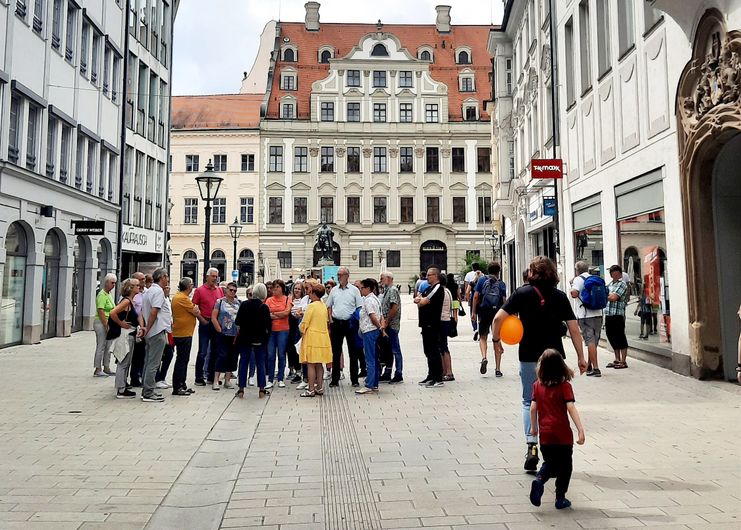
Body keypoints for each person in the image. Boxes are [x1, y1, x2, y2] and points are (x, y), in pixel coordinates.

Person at [492, 256, 587, 472]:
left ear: (533, 272)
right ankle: (554, 450)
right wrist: (582, 358)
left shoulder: (522, 293)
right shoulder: (560, 296)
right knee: (557, 401)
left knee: (529, 400)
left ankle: (531, 446)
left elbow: (498, 319)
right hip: (554, 356)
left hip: (528, 355)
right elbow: (574, 330)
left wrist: (496, 342)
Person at [528, 349, 586, 510]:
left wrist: (534, 428)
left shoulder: (536, 386)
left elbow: (533, 408)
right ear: (561, 366)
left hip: (545, 435)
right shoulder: (564, 386)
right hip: (562, 435)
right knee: (565, 466)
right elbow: (571, 407)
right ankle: (560, 498)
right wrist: (580, 429)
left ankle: (539, 479)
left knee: (550, 463)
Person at [326, 267, 364, 387]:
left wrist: (357, 321)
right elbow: (329, 305)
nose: (339, 276)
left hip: (350, 323)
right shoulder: (334, 290)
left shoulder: (354, 290)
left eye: (341, 274)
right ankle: (335, 379)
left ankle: (354, 379)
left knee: (353, 352)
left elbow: (359, 307)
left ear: (347, 276)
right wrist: (331, 319)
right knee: (336, 352)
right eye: (338, 274)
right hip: (337, 323)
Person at [108, 278, 146, 399]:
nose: (139, 287)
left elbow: (138, 315)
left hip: (130, 333)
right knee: (123, 362)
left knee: (125, 361)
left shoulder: (130, 301)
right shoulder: (126, 302)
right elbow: (113, 313)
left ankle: (122, 386)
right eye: (136, 285)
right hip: (125, 334)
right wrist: (121, 323)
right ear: (130, 288)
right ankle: (121, 389)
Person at [235, 283, 272, 399]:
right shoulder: (264, 307)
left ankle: (241, 389)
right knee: (260, 363)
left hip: (245, 338)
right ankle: (261, 389)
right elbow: (268, 326)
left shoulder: (244, 304)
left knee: (243, 363)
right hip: (259, 339)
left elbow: (237, 322)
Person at [141, 268, 172, 402]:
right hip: (157, 330)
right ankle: (148, 392)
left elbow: (143, 311)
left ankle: (146, 389)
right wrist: (148, 328)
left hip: (151, 331)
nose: (168, 280)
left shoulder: (148, 291)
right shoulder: (158, 291)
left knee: (148, 361)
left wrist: (145, 328)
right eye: (167, 277)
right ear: (163, 277)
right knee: (154, 363)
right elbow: (154, 312)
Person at [471, 262, 507, 377]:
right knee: (496, 339)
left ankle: (484, 357)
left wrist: (473, 312)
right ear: (499, 271)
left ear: (488, 270)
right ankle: (497, 368)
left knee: (483, 337)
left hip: (484, 311)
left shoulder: (481, 280)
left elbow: (476, 296)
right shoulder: (501, 284)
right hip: (496, 313)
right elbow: (504, 300)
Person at [570, 261, 604, 377]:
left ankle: (596, 368)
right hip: (598, 313)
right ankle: (590, 366)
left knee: (590, 342)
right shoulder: (595, 278)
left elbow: (574, 294)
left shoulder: (578, 280)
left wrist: (572, 287)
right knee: (594, 342)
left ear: (577, 269)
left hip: (585, 315)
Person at [299, 284, 333, 397]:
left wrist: (301, 329)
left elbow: (305, 323)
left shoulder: (311, 306)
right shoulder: (323, 305)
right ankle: (320, 387)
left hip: (312, 337)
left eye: (310, 292)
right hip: (323, 337)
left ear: (314, 293)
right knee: (319, 364)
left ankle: (310, 389)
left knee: (311, 364)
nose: (309, 294)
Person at [192, 268, 224, 386]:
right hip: (205, 322)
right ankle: (199, 377)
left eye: (216, 276)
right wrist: (202, 320)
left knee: (215, 350)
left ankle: (212, 376)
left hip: (216, 322)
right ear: (207, 277)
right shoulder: (199, 290)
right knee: (203, 351)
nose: (215, 279)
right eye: (213, 276)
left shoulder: (219, 290)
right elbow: (194, 307)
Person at [415, 267, 445, 388]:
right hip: (425, 324)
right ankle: (431, 375)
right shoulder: (428, 288)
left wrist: (420, 300)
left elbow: (422, 302)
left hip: (432, 324)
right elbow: (418, 301)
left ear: (436, 276)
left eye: (429, 275)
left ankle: (438, 377)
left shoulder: (438, 288)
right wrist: (420, 300)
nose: (427, 277)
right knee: (428, 350)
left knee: (434, 351)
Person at [170, 277, 200, 395]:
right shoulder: (182, 298)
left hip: (184, 332)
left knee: (184, 359)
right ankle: (177, 386)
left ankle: (182, 383)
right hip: (182, 333)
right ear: (188, 286)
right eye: (191, 284)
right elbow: (196, 311)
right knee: (182, 360)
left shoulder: (180, 297)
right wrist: (195, 308)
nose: (192, 286)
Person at [356, 278, 384, 395]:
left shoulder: (368, 301)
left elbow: (373, 317)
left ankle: (370, 385)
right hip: (373, 331)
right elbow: (381, 316)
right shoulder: (375, 299)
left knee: (370, 359)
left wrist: (380, 328)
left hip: (369, 331)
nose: (360, 290)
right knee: (374, 358)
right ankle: (374, 382)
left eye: (362, 288)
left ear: (368, 288)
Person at [211, 281, 240, 391]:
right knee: (221, 355)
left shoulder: (238, 303)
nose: (232, 292)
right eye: (230, 290)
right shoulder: (220, 302)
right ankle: (216, 379)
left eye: (234, 290)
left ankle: (227, 379)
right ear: (226, 290)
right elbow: (214, 317)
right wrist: (219, 329)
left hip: (235, 334)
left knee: (232, 356)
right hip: (223, 333)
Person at [265, 279, 292, 389]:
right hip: (271, 330)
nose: (275, 289)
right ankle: (270, 379)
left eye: (277, 287)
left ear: (282, 288)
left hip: (283, 330)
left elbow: (287, 313)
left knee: (281, 354)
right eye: (273, 287)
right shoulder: (269, 300)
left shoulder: (287, 299)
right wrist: (279, 315)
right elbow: (266, 314)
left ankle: (281, 378)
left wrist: (274, 314)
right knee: (271, 355)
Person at [379, 272, 403, 383]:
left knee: (395, 349)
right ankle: (388, 372)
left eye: (382, 278)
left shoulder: (392, 290)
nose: (381, 280)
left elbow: (394, 307)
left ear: (389, 279)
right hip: (388, 324)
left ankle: (399, 373)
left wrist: (387, 322)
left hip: (392, 324)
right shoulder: (387, 291)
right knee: (389, 349)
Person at [604, 265, 629, 370]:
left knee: (620, 336)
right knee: (611, 336)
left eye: (616, 272)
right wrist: (607, 296)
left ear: (619, 273)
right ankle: (617, 359)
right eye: (612, 273)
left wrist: (605, 296)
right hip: (609, 313)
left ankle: (623, 361)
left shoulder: (622, 284)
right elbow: (608, 296)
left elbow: (614, 297)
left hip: (618, 314)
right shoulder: (609, 284)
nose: (614, 274)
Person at [93, 273, 117, 377]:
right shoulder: (102, 294)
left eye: (115, 283)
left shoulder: (109, 294)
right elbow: (101, 311)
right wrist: (106, 325)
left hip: (109, 322)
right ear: (106, 283)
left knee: (108, 346)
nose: (114, 285)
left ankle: (106, 367)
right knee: (101, 345)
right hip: (101, 322)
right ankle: (98, 369)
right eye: (112, 283)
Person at [129, 271, 147, 387]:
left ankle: (139, 375)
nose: (143, 281)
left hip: (143, 324)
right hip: (133, 325)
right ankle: (133, 377)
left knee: (141, 353)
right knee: (134, 354)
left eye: (144, 279)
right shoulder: (130, 295)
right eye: (141, 279)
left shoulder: (146, 292)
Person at [287, 282, 307, 384]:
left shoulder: (304, 300)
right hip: (291, 325)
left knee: (300, 349)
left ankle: (303, 372)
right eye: (295, 288)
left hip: (300, 325)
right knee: (292, 349)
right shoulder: (290, 299)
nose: (297, 290)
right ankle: (297, 371)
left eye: (299, 289)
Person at [439, 273, 455, 382]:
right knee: (443, 346)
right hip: (447, 319)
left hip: (442, 320)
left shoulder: (442, 292)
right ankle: (445, 371)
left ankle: (448, 372)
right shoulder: (448, 291)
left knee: (443, 347)